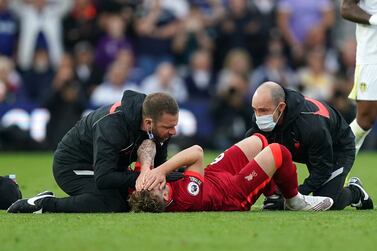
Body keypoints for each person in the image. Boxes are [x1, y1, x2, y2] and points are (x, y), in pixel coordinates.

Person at [7, 91, 180, 213]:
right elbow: (104, 178)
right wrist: (148, 176)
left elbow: (159, 167)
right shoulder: (112, 127)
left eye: (174, 126)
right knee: (114, 203)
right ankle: (44, 204)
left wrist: (166, 173)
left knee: (134, 200)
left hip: (108, 167)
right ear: (148, 123)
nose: (173, 132)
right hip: (71, 167)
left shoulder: (157, 124)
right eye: (168, 127)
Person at [247, 81, 373, 210]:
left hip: (336, 148)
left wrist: (293, 197)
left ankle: (356, 192)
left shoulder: (312, 125)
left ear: (281, 107)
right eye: (255, 110)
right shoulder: (265, 113)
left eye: (263, 110)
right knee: (258, 148)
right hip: (302, 145)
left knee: (327, 201)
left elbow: (322, 169)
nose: (258, 117)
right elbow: (252, 148)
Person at [129, 134, 334, 212]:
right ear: (165, 195)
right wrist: (162, 169)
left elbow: (146, 144)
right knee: (277, 151)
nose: (151, 181)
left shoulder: (144, 188)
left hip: (214, 176)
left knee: (259, 140)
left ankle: (273, 197)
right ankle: (294, 200)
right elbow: (197, 153)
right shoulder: (186, 198)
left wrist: (146, 168)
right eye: (156, 185)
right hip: (232, 193)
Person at [341, 0, 377, 155]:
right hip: (371, 57)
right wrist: (374, 18)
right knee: (365, 119)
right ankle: (336, 166)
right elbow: (347, 8)